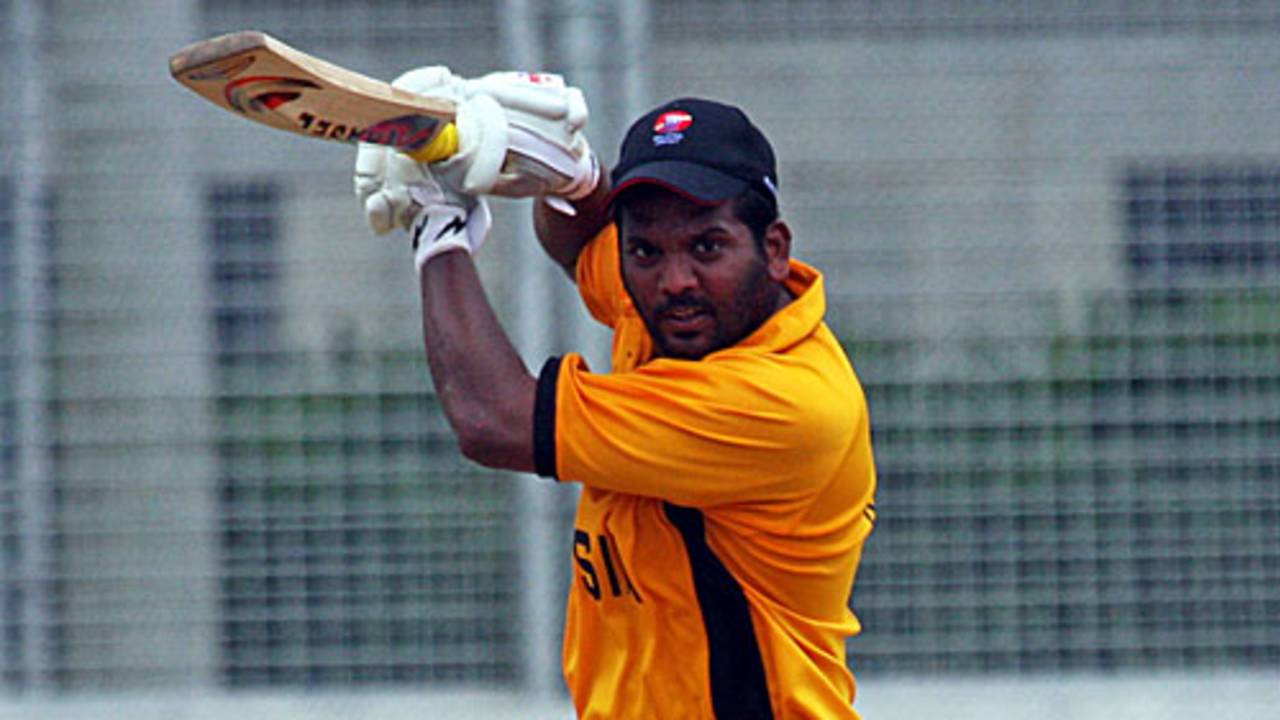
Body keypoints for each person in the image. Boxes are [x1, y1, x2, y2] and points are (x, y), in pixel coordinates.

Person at [353, 68, 878, 720]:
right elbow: (581, 244)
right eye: (646, 251)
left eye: (707, 246)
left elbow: (493, 420)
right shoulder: (682, 317)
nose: (674, 281)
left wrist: (438, 227)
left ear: (773, 249)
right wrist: (570, 173)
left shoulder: (782, 404)